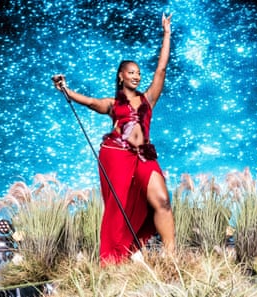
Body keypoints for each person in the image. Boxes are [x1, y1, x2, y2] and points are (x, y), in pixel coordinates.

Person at [52, 13, 175, 264]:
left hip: (144, 157)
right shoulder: (112, 104)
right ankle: (114, 259)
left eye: (138, 73)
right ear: (121, 76)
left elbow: (161, 68)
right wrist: (65, 89)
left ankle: (171, 257)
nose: (136, 76)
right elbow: (88, 101)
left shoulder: (148, 98)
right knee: (118, 211)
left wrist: (167, 33)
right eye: (131, 72)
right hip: (118, 156)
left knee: (162, 201)